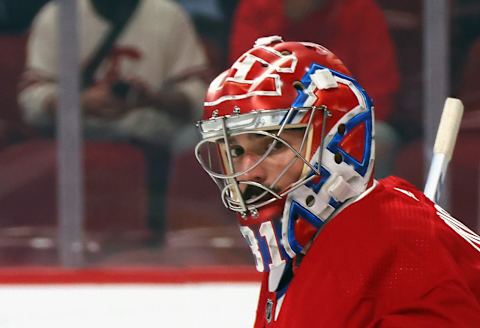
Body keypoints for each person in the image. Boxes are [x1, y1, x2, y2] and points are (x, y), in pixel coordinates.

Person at [194, 37, 480, 326]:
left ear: (338, 139)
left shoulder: (402, 249)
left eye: (273, 146)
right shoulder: (296, 246)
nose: (247, 172)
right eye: (235, 151)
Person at [18, 0, 207, 236]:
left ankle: (177, 237)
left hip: (154, 135)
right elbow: (31, 100)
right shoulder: (58, 16)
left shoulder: (168, 15)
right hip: (76, 136)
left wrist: (152, 99)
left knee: (198, 141)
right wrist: (79, 102)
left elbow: (199, 97)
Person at [229, 0, 400, 178]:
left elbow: (379, 94)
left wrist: (326, 126)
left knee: (380, 137)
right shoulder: (258, 6)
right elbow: (244, 83)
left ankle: (362, 205)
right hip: (271, 122)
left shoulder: (360, 9)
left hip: (342, 124)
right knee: (236, 139)